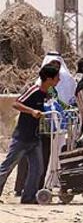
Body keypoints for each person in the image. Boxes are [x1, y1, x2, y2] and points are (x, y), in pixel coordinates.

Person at [0, 64, 60, 204]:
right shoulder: (34, 90)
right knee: (7, 167)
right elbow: (16, 103)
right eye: (57, 78)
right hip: (22, 137)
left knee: (37, 169)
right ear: (48, 79)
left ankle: (28, 197)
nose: (59, 80)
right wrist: (32, 111)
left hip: (35, 137)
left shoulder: (49, 94)